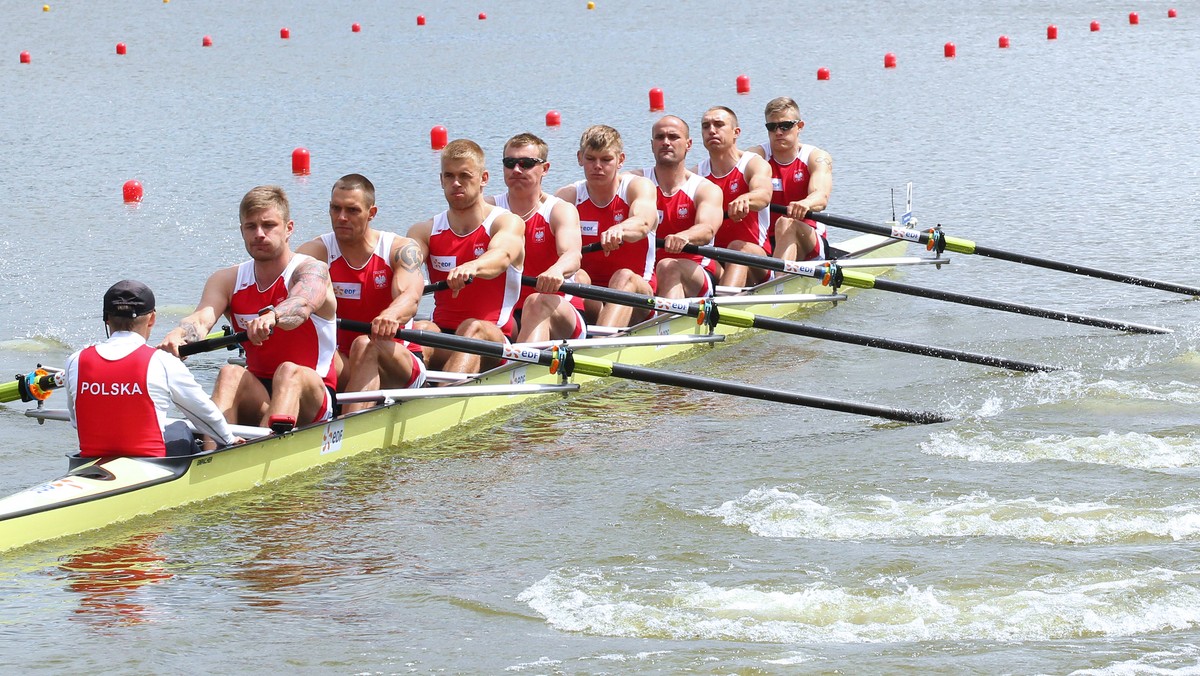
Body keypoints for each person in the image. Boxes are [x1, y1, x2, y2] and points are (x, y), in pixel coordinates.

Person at [159, 186, 338, 430]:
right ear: (242, 230)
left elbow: (304, 302)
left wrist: (273, 316)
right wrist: (179, 336)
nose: (259, 234)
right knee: (230, 372)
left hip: (314, 395)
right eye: (250, 226)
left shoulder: (312, 269)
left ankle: (258, 452)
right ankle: (217, 452)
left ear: (289, 229)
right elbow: (201, 320)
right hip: (260, 393)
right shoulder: (227, 279)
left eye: (269, 225)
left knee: (288, 372)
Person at [296, 174, 426, 414]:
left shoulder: (399, 248)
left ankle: (344, 432)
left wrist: (391, 314)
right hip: (343, 364)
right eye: (335, 208)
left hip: (398, 362)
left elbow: (411, 295)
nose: (341, 217)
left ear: (372, 212)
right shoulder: (316, 252)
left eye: (352, 210)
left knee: (365, 343)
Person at [66, 280, 239, 457]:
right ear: (152, 318)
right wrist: (229, 439)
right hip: (151, 464)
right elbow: (203, 413)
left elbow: (76, 421)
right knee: (180, 428)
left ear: (106, 319)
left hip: (91, 461)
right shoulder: (163, 362)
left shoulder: (75, 360)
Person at [408, 139, 525, 375]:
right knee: (420, 329)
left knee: (472, 328)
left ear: (483, 179)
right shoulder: (423, 231)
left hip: (494, 338)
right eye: (449, 176)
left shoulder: (506, 222)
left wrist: (473, 266)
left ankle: (442, 398)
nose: (456, 183)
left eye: (465, 175)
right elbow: (405, 265)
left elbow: (501, 256)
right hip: (445, 335)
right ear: (441, 180)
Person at [486, 133, 588, 343]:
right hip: (509, 314)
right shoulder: (489, 209)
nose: (516, 170)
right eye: (510, 163)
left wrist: (556, 270)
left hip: (558, 309)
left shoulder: (559, 210)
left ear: (545, 169)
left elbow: (572, 255)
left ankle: (519, 371)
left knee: (536, 302)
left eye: (526, 164)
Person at [554, 124, 659, 327]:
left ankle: (601, 342)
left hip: (638, 293)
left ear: (620, 160)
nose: (598, 166)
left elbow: (644, 221)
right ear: (579, 158)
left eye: (606, 159)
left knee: (624, 276)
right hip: (590, 294)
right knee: (580, 276)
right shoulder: (568, 196)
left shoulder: (637, 187)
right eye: (591, 159)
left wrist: (620, 229)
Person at [632, 115, 724, 299]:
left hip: (696, 270)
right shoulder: (634, 182)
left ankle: (665, 324)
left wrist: (685, 236)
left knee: (668, 266)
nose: (666, 142)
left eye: (673, 137)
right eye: (660, 137)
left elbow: (707, 229)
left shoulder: (704, 189)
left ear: (688, 144)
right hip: (650, 274)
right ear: (652, 145)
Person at [696, 106, 774, 288]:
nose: (711, 130)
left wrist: (746, 198)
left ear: (736, 132)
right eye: (705, 126)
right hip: (715, 261)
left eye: (719, 125)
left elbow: (763, 195)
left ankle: (723, 304)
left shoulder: (753, 164)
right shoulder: (697, 175)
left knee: (737, 247)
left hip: (756, 260)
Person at [749, 96, 833, 261]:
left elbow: (821, 196)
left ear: (800, 126)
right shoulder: (755, 157)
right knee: (738, 245)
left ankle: (779, 283)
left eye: (785, 126)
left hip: (808, 239)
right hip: (767, 243)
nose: (778, 132)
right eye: (772, 127)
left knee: (786, 223)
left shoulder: (815, 157)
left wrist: (806, 203)